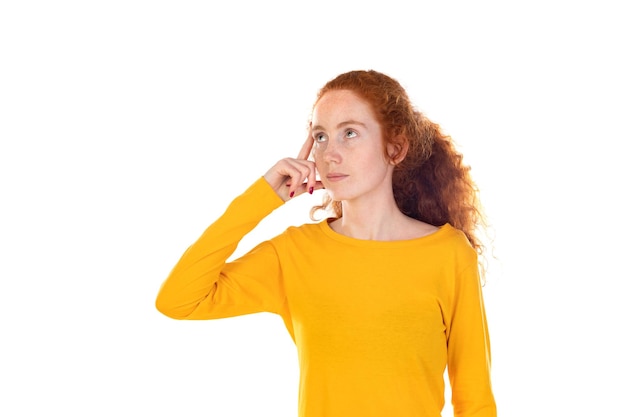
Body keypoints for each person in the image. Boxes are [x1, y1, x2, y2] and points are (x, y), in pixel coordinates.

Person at [156, 69, 497, 417]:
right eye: (320, 137)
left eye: (349, 133)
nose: (330, 153)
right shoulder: (294, 253)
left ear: (395, 148)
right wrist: (261, 198)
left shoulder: (449, 254)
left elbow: (475, 401)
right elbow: (178, 301)